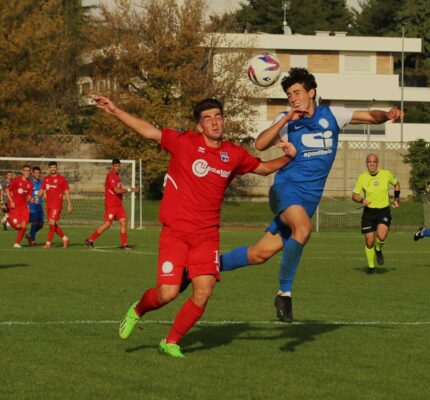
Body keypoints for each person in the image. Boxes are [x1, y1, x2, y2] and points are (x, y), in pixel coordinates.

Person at [92, 94, 296, 358]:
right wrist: (115, 110)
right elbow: (149, 131)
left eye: (218, 117)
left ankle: (170, 341)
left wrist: (289, 157)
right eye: (208, 118)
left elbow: (265, 168)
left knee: (204, 290)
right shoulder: (184, 142)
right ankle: (138, 310)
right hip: (175, 233)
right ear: (199, 126)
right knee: (167, 293)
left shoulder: (233, 154)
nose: (214, 122)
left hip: (207, 236)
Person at [220, 67, 403, 322]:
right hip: (285, 190)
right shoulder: (286, 120)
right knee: (304, 229)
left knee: (259, 254)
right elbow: (260, 144)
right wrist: (285, 120)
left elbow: (370, 116)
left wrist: (388, 114)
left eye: (297, 92)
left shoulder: (332, 115)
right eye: (289, 94)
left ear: (311, 92)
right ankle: (284, 293)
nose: (293, 98)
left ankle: (211, 265)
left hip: (309, 200)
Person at [352, 154, 400, 273]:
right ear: (366, 163)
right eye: (369, 162)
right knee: (369, 242)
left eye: (374, 161)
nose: (372, 164)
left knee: (382, 236)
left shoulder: (386, 174)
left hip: (383, 210)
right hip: (369, 212)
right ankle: (371, 267)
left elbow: (396, 184)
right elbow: (354, 196)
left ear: (377, 163)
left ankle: (378, 249)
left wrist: (396, 199)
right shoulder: (362, 178)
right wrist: (362, 200)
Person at [85, 159, 138, 250]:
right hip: (111, 205)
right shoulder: (111, 176)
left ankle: (124, 245)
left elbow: (120, 190)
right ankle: (90, 240)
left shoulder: (117, 177)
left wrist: (125, 190)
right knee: (107, 224)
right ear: (112, 166)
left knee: (124, 222)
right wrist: (129, 189)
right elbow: (117, 191)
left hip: (118, 204)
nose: (117, 167)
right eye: (115, 166)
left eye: (118, 166)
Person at [40, 161, 72, 249]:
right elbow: (42, 190)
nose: (53, 168)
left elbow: (66, 192)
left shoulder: (61, 179)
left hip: (57, 204)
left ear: (56, 168)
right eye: (51, 167)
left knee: (51, 223)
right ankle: (65, 238)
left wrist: (69, 204)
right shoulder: (46, 179)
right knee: (52, 224)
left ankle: (48, 243)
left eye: (54, 167)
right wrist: (35, 197)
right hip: (49, 205)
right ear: (49, 168)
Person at [6, 165, 34, 248]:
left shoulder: (30, 184)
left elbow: (28, 196)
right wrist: (11, 201)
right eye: (25, 170)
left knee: (24, 226)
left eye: (29, 171)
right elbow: (7, 190)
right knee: (18, 226)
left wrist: (30, 199)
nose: (27, 172)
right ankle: (7, 217)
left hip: (24, 207)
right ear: (22, 172)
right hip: (15, 207)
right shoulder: (16, 181)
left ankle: (17, 243)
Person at [26, 166, 44, 246]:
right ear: (32, 174)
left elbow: (44, 192)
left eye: (38, 173)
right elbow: (26, 193)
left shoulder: (42, 182)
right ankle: (32, 240)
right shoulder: (29, 183)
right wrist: (30, 199)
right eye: (35, 173)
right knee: (34, 222)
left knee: (41, 224)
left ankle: (30, 234)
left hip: (40, 205)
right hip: (32, 206)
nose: (37, 174)